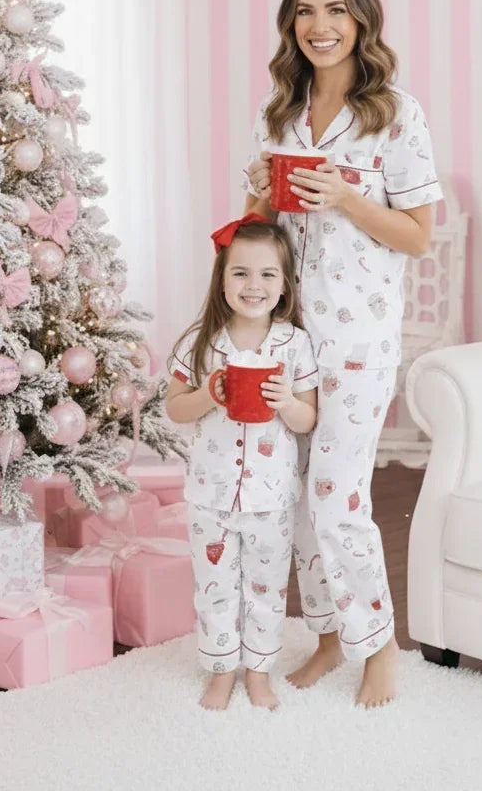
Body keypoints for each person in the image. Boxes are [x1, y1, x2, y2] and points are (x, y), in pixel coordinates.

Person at [243, 0, 442, 708]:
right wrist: (264, 200)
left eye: (333, 10)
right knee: (292, 496)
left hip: (359, 340)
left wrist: (347, 198)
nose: (319, 26)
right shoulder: (280, 114)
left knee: (337, 496)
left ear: (360, 17)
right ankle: (328, 636)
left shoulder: (396, 112)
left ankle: (379, 644)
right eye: (304, 11)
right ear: (291, 25)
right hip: (290, 334)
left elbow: (420, 235)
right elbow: (271, 234)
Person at [165, 216, 318, 711]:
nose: (254, 285)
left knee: (265, 588)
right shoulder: (200, 342)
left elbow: (307, 418)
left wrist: (285, 403)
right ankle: (220, 669)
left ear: (285, 284)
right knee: (214, 588)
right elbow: (173, 408)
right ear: (222, 278)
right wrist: (208, 394)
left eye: (268, 275)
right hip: (209, 494)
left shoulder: (294, 344)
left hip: (270, 498)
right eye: (241, 273)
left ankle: (258, 670)